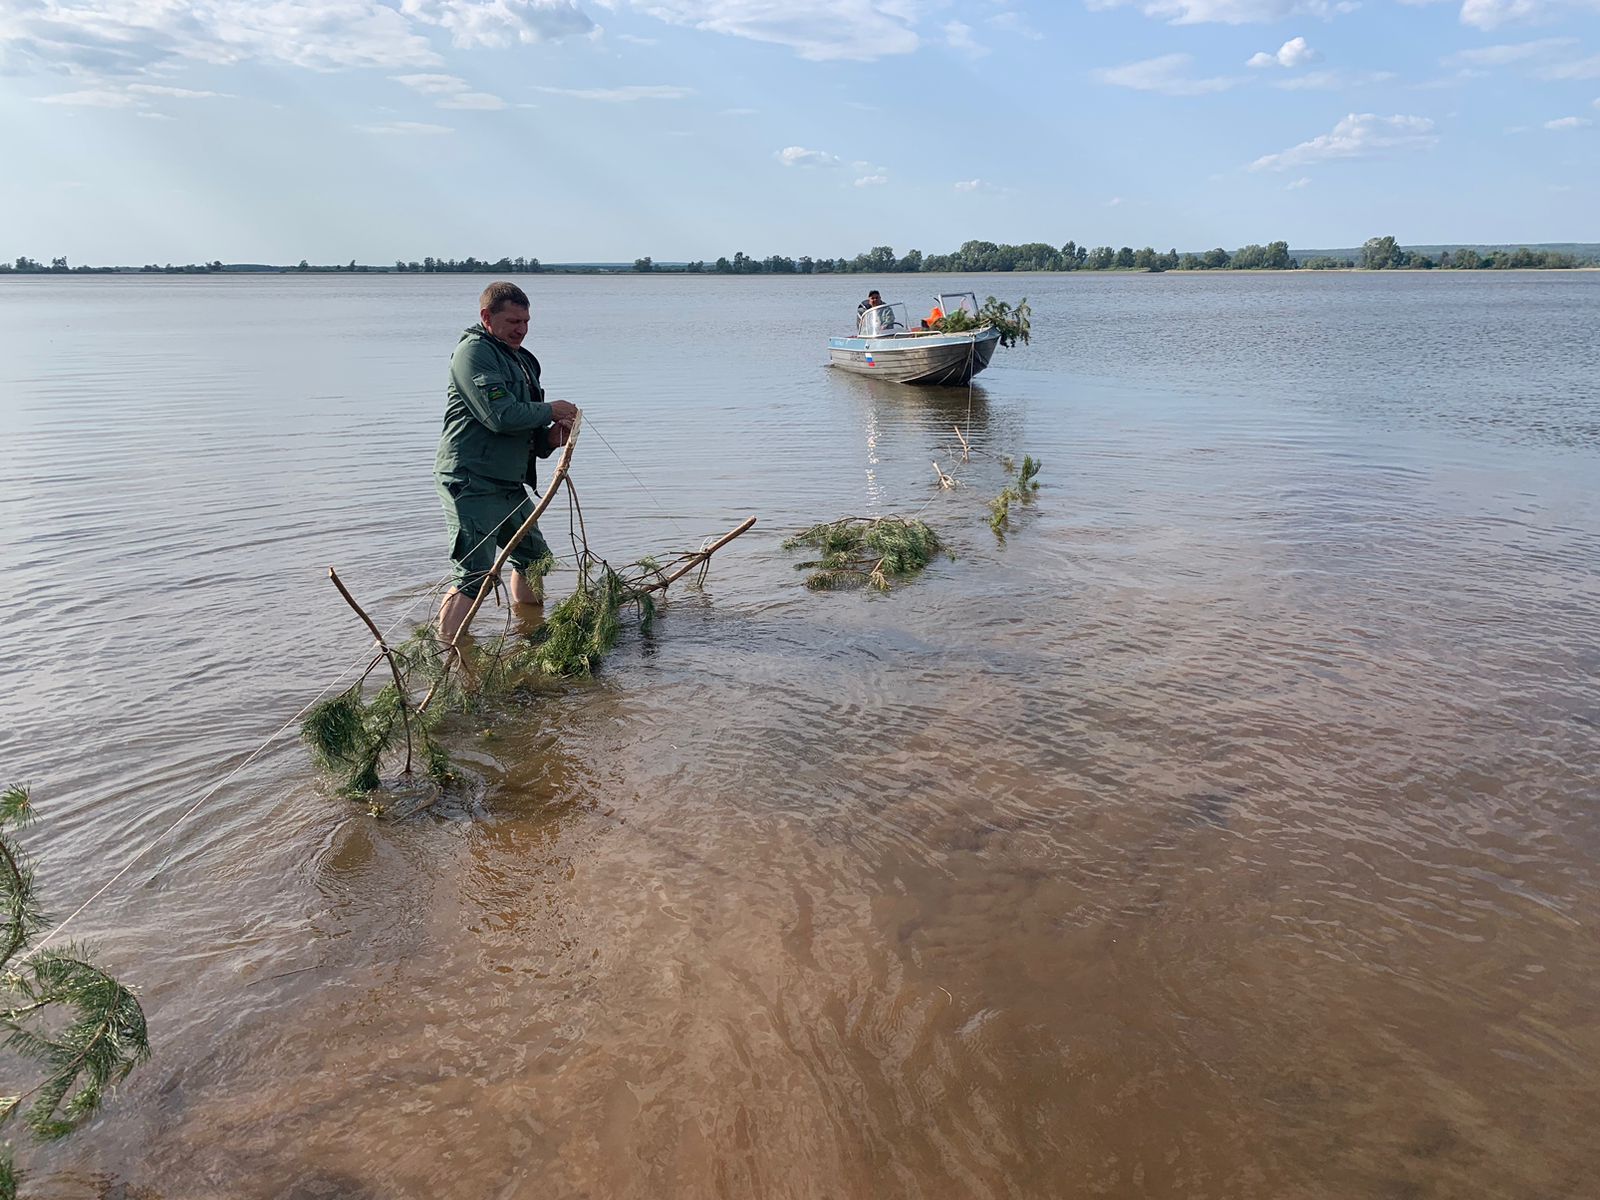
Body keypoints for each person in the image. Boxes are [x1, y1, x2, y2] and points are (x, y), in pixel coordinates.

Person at [434, 281, 578, 641]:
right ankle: (445, 654)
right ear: (487, 317)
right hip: (471, 480)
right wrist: (550, 409)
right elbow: (498, 415)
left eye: (526, 321)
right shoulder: (473, 354)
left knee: (534, 560)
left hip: (509, 482)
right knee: (474, 576)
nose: (521, 329)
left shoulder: (523, 360)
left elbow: (522, 428)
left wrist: (549, 439)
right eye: (513, 321)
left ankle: (531, 634)